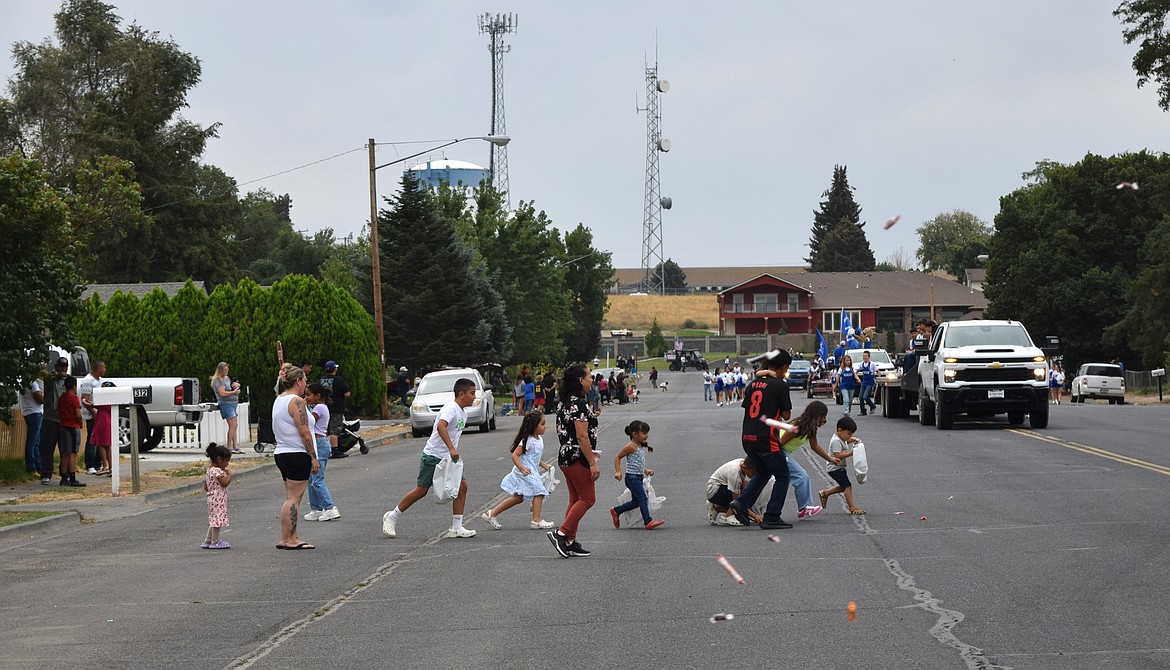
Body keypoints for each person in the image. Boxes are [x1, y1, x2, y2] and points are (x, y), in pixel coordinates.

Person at [382, 377, 478, 540]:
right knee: (421, 490)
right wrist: (452, 448)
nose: (475, 397)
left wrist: (451, 452)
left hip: (449, 458)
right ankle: (392, 517)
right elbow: (441, 426)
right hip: (433, 456)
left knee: (462, 487)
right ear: (461, 394)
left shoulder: (462, 412)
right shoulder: (451, 408)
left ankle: (456, 527)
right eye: (472, 393)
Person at [727, 349, 796, 529]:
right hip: (767, 438)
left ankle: (741, 503)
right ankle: (772, 516)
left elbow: (748, 407)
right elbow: (787, 415)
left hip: (748, 437)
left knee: (764, 472)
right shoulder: (780, 385)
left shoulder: (753, 384)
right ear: (784, 367)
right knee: (783, 475)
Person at [547, 364, 599, 558]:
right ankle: (560, 534)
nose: (591, 380)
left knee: (575, 499)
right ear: (580, 380)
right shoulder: (580, 404)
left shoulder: (565, 403)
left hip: (565, 455)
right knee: (587, 498)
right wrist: (592, 462)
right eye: (589, 377)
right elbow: (582, 436)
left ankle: (569, 540)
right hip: (578, 456)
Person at [481, 410, 556, 530]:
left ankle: (492, 513)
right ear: (534, 426)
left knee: (518, 498)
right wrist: (521, 468)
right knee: (540, 491)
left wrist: (545, 465)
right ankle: (536, 520)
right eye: (542, 424)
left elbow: (535, 457)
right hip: (525, 471)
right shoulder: (528, 440)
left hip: (531, 471)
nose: (545, 426)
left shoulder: (539, 440)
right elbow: (515, 455)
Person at [272, 364, 320, 550]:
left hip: (283, 453)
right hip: (297, 453)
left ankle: (287, 538)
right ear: (298, 381)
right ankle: (291, 539)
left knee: (291, 497)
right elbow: (304, 432)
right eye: (305, 380)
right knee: (294, 498)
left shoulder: (279, 400)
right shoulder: (296, 402)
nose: (306, 384)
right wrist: (313, 457)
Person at [609, 420, 665, 530]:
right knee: (643, 497)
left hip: (638, 477)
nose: (646, 436)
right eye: (644, 433)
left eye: (647, 433)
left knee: (636, 502)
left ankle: (616, 510)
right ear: (635, 434)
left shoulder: (639, 446)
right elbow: (617, 457)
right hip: (631, 478)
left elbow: (636, 463)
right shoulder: (631, 446)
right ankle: (648, 522)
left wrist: (645, 470)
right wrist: (618, 471)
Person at [303, 383, 340, 522]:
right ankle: (316, 509)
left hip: (320, 444)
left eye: (309, 395)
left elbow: (308, 422)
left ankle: (330, 508)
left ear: (318, 396)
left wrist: (303, 407)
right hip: (317, 444)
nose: (307, 398)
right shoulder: (319, 407)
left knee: (317, 480)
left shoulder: (319, 408)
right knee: (312, 480)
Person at [819, 415, 864, 515]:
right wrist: (852, 452)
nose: (850, 436)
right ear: (840, 430)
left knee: (843, 486)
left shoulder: (840, 438)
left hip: (838, 468)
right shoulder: (835, 441)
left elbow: (844, 442)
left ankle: (825, 493)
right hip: (835, 468)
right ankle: (852, 507)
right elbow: (838, 455)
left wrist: (850, 440)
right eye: (848, 434)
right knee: (847, 486)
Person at [38, 357, 69, 485]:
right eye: (60, 367)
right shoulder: (50, 378)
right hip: (50, 418)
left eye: (64, 367)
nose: (62, 369)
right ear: (56, 367)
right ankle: (46, 473)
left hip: (64, 419)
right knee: (47, 448)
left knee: (64, 449)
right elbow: (48, 379)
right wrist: (58, 375)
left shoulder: (69, 380)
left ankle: (64, 474)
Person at [201, 443, 233, 549]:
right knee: (217, 520)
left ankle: (208, 540)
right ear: (219, 459)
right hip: (218, 499)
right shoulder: (217, 471)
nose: (227, 464)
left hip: (211, 498)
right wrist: (229, 475)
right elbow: (224, 483)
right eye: (227, 461)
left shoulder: (209, 470)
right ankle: (215, 541)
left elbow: (206, 486)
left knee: (214, 519)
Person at [57, 375, 86, 487]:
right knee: (73, 453)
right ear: (74, 386)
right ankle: (72, 477)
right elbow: (78, 414)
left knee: (64, 452)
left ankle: (64, 477)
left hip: (62, 425)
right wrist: (80, 423)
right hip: (72, 426)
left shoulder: (61, 398)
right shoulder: (74, 398)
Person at [211, 362, 243, 454]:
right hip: (226, 405)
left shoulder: (227, 378)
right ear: (220, 370)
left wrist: (236, 386)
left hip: (233, 404)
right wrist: (234, 393)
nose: (226, 371)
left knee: (235, 425)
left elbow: (230, 388)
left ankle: (235, 446)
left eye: (227, 369)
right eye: (224, 370)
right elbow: (223, 393)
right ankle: (229, 447)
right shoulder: (218, 381)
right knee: (232, 426)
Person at [79, 360, 105, 474]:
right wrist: (93, 412)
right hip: (92, 414)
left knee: (101, 438)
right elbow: (85, 399)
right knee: (92, 439)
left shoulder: (99, 381)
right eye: (103, 367)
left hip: (101, 413)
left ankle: (98, 463)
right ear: (98, 368)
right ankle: (90, 465)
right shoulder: (88, 381)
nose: (105, 369)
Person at [319, 361, 351, 453]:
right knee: (334, 430)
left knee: (324, 429)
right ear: (335, 369)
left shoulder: (321, 380)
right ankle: (335, 450)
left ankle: (324, 449)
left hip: (324, 408)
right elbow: (347, 394)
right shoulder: (339, 380)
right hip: (336, 408)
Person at [19, 376, 44, 475]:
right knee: (32, 442)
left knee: (36, 441)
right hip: (34, 412)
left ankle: (39, 466)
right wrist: (43, 394)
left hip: (30, 412)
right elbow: (40, 399)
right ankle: (31, 467)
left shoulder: (27, 382)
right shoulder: (32, 382)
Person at [90, 386, 113, 476]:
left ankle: (105, 465)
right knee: (107, 444)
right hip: (109, 420)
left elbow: (93, 405)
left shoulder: (103, 399)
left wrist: (85, 401)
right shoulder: (112, 400)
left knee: (100, 444)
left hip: (102, 420)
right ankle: (111, 467)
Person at [857, 350, 879, 416]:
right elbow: (857, 370)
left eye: (866, 356)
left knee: (865, 396)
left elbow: (878, 371)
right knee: (860, 397)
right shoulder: (862, 364)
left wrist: (878, 379)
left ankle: (872, 406)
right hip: (864, 382)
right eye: (864, 356)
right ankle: (863, 411)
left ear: (869, 357)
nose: (865, 358)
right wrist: (855, 375)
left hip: (870, 383)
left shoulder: (872, 364)